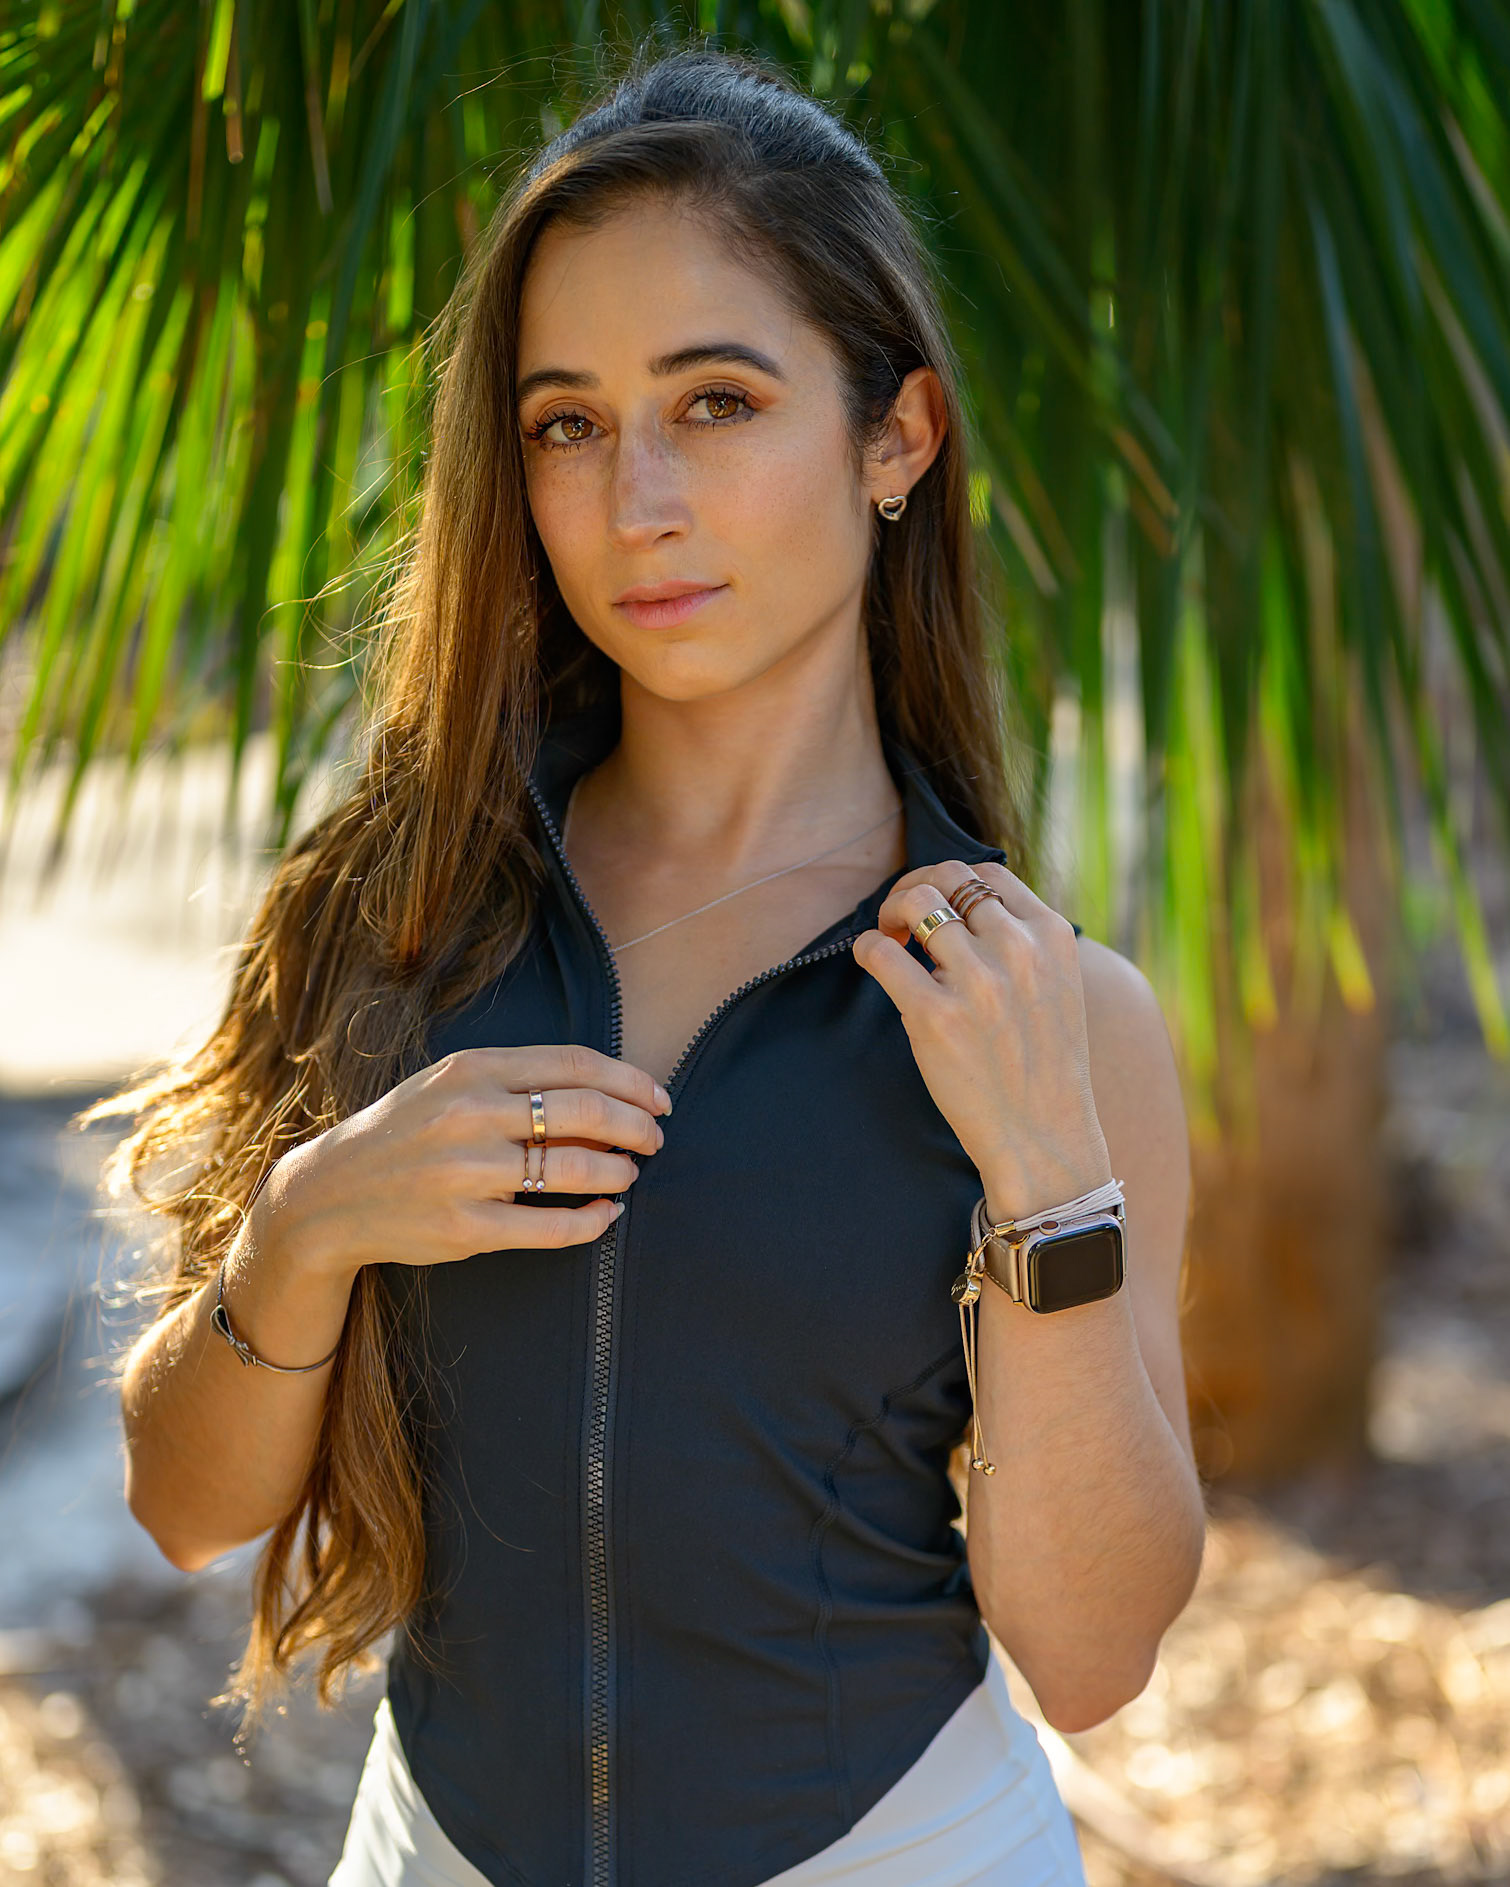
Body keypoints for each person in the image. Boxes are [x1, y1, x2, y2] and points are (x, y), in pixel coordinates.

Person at [103, 38, 1205, 1887]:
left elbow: (1091, 1659)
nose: (637, 501)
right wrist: (306, 1226)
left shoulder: (1047, 1013)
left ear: (894, 437)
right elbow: (181, 1504)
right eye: (567, 424)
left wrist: (1043, 1177)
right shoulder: (401, 915)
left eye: (715, 401)